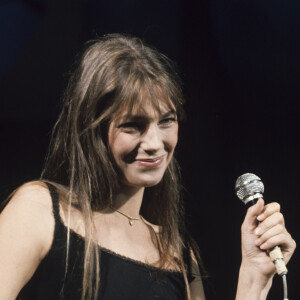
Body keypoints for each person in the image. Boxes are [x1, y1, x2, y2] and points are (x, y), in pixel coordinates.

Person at [0, 34, 296, 300]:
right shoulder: (40, 210)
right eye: (133, 125)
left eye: (166, 120)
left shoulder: (177, 254)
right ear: (92, 130)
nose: (155, 142)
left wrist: (254, 278)